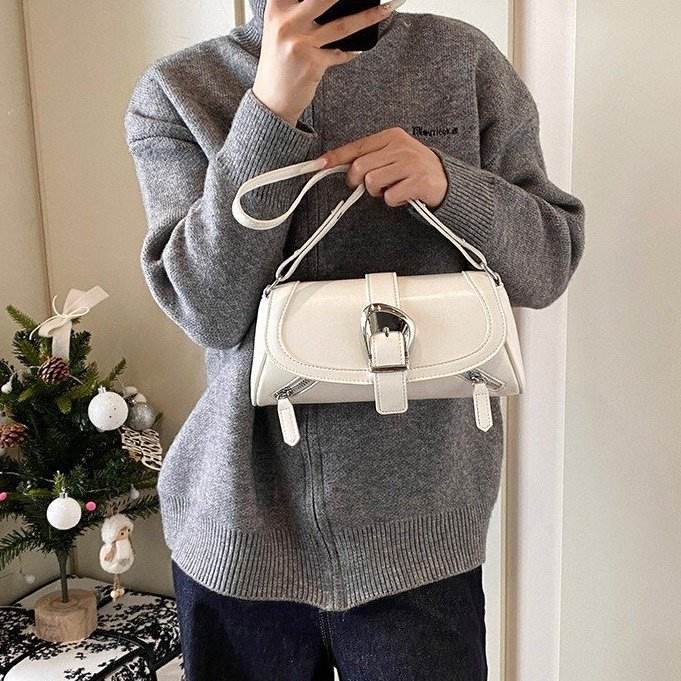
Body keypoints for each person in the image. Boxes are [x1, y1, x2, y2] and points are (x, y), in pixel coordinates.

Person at [124, 0, 586, 679]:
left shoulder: (461, 61)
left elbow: (547, 264)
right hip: (237, 539)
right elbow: (208, 310)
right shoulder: (180, 90)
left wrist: (450, 186)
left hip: (420, 545)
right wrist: (270, 111)